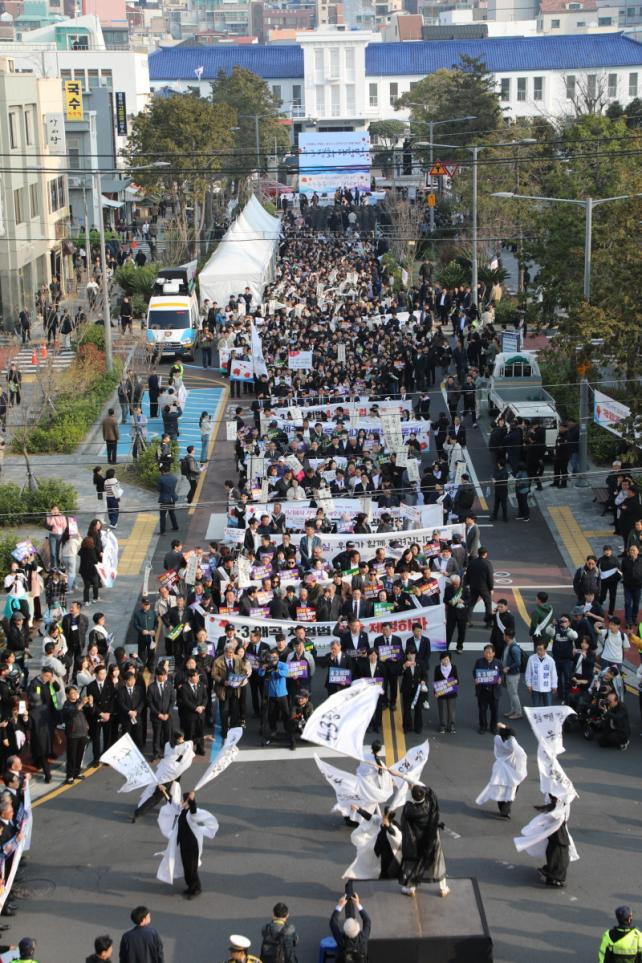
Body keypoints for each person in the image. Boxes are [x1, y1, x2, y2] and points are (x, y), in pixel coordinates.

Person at [156, 786, 219, 899]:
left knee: (191, 869)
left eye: (182, 800)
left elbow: (194, 810)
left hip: (191, 846)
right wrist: (163, 790)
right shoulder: (182, 810)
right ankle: (190, 886)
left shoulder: (191, 814)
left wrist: (192, 800)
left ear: (187, 802)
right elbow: (171, 802)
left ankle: (196, 889)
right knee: (187, 868)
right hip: (184, 844)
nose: (180, 801)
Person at [397, 784, 449, 897]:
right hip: (431, 838)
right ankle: (443, 888)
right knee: (437, 862)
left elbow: (404, 823)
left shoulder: (409, 809)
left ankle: (411, 888)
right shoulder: (431, 804)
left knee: (413, 864)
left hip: (416, 841)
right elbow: (430, 791)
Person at [475, 724, 527, 818]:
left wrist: (504, 728)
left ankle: (502, 807)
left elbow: (504, 734)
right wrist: (506, 729)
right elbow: (520, 752)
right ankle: (506, 809)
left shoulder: (497, 739)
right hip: (511, 770)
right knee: (513, 788)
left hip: (500, 768)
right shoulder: (511, 744)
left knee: (500, 788)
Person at [329, 888, 371, 962]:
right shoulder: (362, 937)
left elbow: (333, 922)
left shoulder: (341, 939)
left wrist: (340, 905)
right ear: (358, 930)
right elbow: (367, 921)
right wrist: (358, 904)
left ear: (344, 931)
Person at [62, 684, 91, 783]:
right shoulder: (66, 705)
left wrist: (90, 703)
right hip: (73, 734)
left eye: (75, 692)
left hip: (83, 733)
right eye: (72, 693)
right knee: (72, 756)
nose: (75, 694)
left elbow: (89, 711)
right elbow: (73, 713)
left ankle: (77, 772)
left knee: (80, 755)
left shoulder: (79, 702)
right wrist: (81, 704)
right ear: (67, 695)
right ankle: (69, 776)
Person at [473, 644, 503, 733]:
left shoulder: (498, 663)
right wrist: (476, 679)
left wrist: (500, 678)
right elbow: (474, 672)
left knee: (495, 711)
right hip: (482, 691)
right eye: (486, 652)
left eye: (489, 653)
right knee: (482, 710)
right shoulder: (479, 662)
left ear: (494, 653)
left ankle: (493, 727)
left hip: (494, 691)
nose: (487, 654)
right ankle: (483, 726)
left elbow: (501, 673)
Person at [525, 643, 558, 707]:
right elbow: (528, 673)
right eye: (537, 649)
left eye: (540, 649)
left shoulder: (550, 660)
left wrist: (554, 685)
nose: (538, 651)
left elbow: (553, 674)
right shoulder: (531, 659)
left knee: (547, 707)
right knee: (535, 707)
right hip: (535, 687)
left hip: (547, 688)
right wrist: (529, 684)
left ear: (545, 649)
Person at [433, 651, 458, 734]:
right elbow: (435, 680)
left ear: (450, 659)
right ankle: (442, 726)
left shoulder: (453, 667)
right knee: (442, 709)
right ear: (441, 660)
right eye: (443, 659)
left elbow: (457, 679)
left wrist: (456, 681)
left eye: (447, 659)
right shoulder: (437, 668)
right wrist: (435, 692)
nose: (445, 661)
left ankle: (451, 726)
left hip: (451, 692)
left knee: (451, 710)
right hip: (441, 692)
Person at [158, 467, 179, 534]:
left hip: (164, 499)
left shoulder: (161, 479)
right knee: (172, 513)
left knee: (162, 515)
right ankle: (175, 526)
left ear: (163, 471)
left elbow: (159, 489)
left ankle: (163, 531)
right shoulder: (174, 478)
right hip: (172, 498)